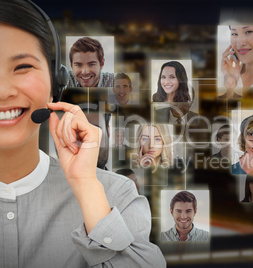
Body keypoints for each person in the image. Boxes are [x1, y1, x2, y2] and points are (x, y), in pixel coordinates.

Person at [0, 1, 165, 267]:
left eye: (22, 67)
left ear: (56, 82)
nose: (2, 91)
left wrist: (86, 187)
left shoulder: (115, 194)